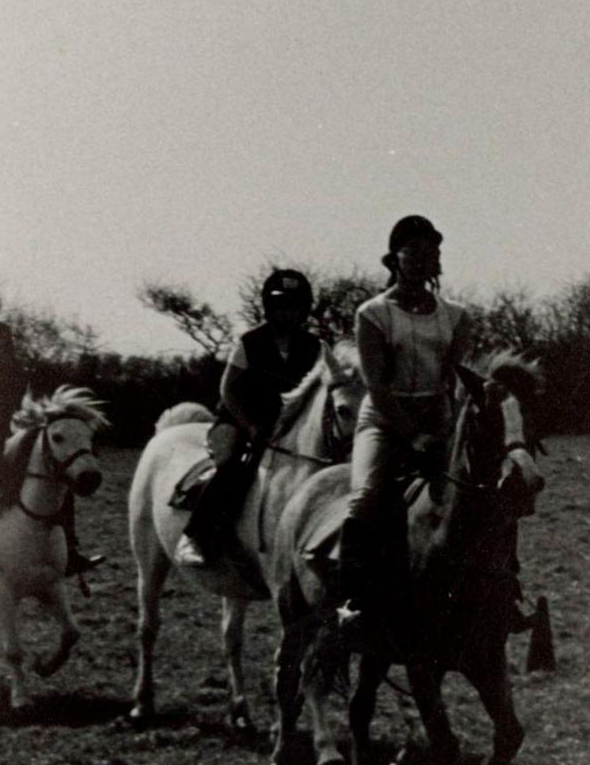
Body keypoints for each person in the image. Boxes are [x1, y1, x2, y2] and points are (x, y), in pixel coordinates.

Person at [336, 215, 474, 631]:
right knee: (366, 499)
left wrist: (443, 427)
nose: (420, 261)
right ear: (394, 259)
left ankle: (493, 591)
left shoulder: (457, 316)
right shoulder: (372, 314)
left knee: (477, 492)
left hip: (437, 416)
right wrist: (410, 436)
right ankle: (352, 599)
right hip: (384, 420)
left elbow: (451, 378)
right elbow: (376, 386)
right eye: (412, 253)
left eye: (430, 254)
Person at [179, 268, 323, 568]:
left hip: (287, 424)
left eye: (295, 306)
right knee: (231, 464)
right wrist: (250, 425)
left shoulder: (315, 347)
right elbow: (228, 390)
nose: (288, 312)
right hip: (238, 419)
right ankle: (195, 536)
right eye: (282, 305)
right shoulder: (250, 341)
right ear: (270, 306)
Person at [0, 316, 96, 575]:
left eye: (6, 344)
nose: (3, 349)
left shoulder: (19, 378)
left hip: (13, 449)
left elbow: (29, 415)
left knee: (61, 485)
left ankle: (70, 552)